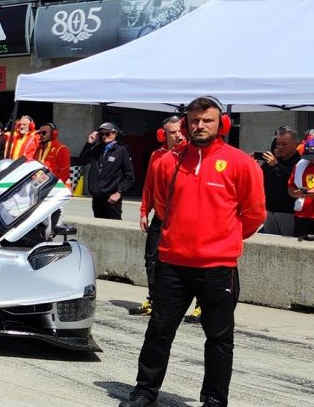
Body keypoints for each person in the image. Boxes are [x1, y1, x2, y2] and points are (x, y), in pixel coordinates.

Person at [122, 96, 265, 407]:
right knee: (159, 331)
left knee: (219, 338)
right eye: (194, 120)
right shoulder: (167, 162)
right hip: (172, 263)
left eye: (207, 120)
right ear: (185, 123)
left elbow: (254, 214)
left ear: (221, 124)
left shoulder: (242, 164)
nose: (200, 125)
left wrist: (221, 239)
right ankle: (145, 391)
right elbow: (161, 205)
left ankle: (215, 400)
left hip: (217, 266)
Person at [134, 116, 186, 318]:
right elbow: (149, 185)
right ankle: (154, 299)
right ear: (163, 134)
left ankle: (199, 304)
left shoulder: (189, 154)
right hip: (160, 217)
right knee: (151, 259)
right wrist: (144, 211)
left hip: (181, 219)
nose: (178, 135)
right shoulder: (157, 155)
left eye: (180, 131)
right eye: (172, 132)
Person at [77, 122, 134, 219]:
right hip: (97, 197)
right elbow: (82, 161)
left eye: (107, 133)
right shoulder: (97, 148)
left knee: (114, 227)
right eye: (102, 134)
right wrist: (89, 143)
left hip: (111, 198)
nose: (104, 136)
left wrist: (119, 192)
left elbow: (129, 175)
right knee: (99, 226)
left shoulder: (122, 150)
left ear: (115, 133)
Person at [255, 126, 299, 236]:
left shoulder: (301, 162)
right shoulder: (273, 160)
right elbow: (259, 178)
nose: (280, 147)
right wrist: (253, 165)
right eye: (278, 144)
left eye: (284, 144)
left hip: (288, 212)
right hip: (269, 210)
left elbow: (292, 181)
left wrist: (276, 165)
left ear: (295, 145)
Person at [34, 123, 71, 188]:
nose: (41, 135)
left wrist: (56, 187)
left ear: (53, 134)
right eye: (39, 133)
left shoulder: (61, 148)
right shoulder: (38, 149)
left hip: (55, 188)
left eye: (44, 133)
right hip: (39, 186)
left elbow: (65, 171)